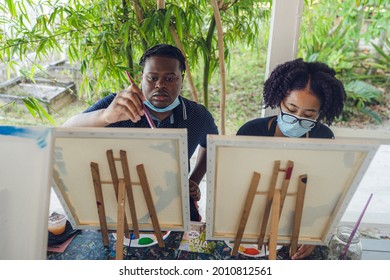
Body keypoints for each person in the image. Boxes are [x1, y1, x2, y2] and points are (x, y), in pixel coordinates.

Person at [63, 44, 219, 222]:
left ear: (181, 79)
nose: (160, 85)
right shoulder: (118, 105)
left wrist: (195, 180)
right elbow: (66, 130)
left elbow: (212, 143)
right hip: (120, 205)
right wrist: (106, 116)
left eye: (169, 78)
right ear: (141, 78)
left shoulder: (196, 115)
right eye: (152, 78)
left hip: (175, 204)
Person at [237, 58, 346, 259]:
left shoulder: (323, 137)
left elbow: (323, 193)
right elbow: (236, 187)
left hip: (299, 225)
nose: (297, 119)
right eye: (291, 109)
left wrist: (313, 235)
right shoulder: (250, 132)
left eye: (309, 115)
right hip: (251, 224)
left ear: (320, 113)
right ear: (279, 100)